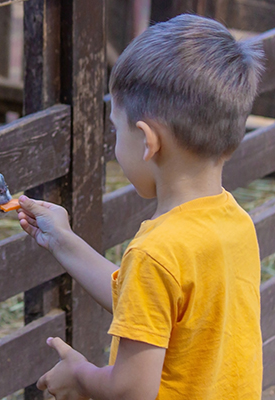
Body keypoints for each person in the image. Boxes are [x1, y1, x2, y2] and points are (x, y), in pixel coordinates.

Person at [17, 14, 264, 400]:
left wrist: (80, 376)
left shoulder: (155, 252)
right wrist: (62, 240)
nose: (116, 145)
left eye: (117, 129)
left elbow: (131, 391)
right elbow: (145, 303)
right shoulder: (234, 222)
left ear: (148, 141)